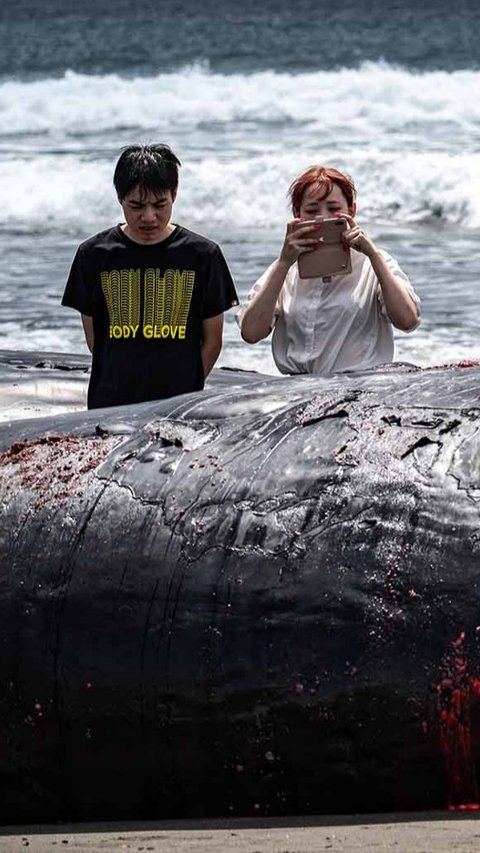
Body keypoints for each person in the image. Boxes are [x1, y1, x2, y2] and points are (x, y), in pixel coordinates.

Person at [62, 144, 239, 409]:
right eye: (136, 206)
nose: (149, 217)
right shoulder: (94, 254)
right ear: (120, 198)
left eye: (159, 205)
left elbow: (212, 342)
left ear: (174, 195)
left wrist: (185, 388)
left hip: (179, 405)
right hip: (109, 403)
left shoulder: (203, 255)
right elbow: (95, 341)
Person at [238, 165, 421, 375]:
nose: (322, 218)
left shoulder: (374, 262)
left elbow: (408, 321)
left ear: (352, 210)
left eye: (334, 209)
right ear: (297, 213)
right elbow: (251, 333)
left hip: (361, 387)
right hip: (297, 387)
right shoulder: (286, 268)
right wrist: (283, 263)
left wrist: (373, 255)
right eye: (312, 210)